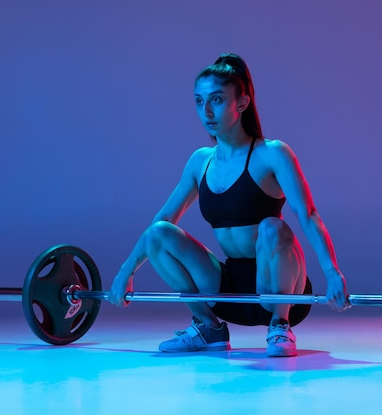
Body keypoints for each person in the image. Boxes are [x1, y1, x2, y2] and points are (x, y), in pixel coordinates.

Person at [110, 53, 350, 357]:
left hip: (280, 288)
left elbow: (308, 214)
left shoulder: (272, 154)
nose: (206, 111)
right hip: (227, 289)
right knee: (159, 232)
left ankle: (279, 326)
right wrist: (125, 272)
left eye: (217, 100)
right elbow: (163, 221)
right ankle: (208, 326)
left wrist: (332, 272)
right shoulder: (200, 162)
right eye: (199, 101)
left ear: (242, 103)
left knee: (271, 227)